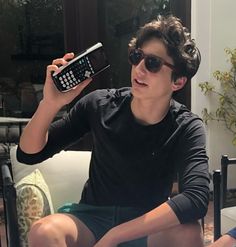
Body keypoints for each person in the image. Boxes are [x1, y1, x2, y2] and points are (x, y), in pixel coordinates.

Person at [17, 15, 210, 247]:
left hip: (145, 221)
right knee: (43, 232)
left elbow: (196, 198)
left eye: (153, 63)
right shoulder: (100, 105)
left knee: (188, 234)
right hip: (91, 217)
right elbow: (28, 153)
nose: (139, 68)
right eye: (137, 57)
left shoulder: (187, 126)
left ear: (177, 82)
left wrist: (115, 235)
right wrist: (50, 103)